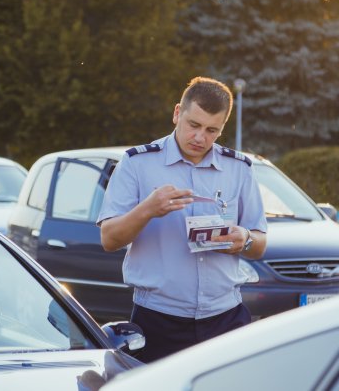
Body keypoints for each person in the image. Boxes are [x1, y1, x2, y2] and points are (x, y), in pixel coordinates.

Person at [96, 76, 268, 362]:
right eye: (194, 125)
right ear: (178, 113)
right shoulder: (137, 163)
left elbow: (260, 243)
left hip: (225, 317)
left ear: (223, 127)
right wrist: (148, 208)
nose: (201, 138)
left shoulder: (239, 168)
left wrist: (244, 239)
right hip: (159, 319)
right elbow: (109, 239)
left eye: (212, 130)